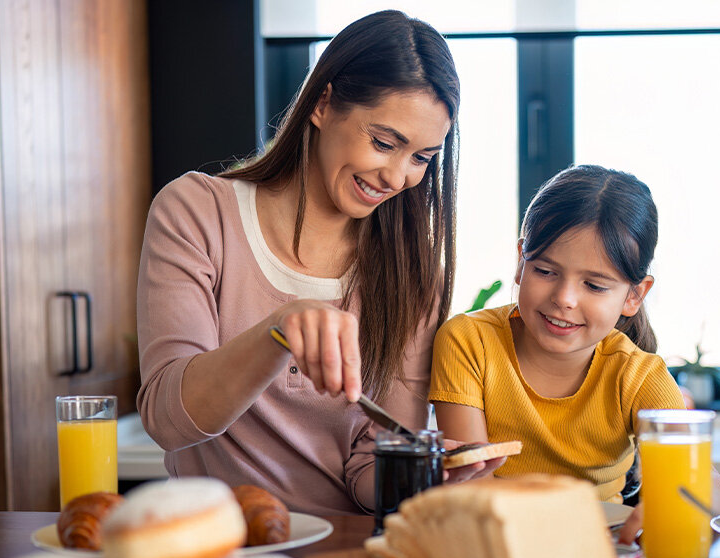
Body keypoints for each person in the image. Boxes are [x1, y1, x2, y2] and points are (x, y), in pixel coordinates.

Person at [136, 10, 475, 517]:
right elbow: (169, 420)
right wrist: (278, 331)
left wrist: (420, 476)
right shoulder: (197, 212)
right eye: (384, 143)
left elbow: (368, 469)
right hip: (223, 543)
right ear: (322, 103)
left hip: (346, 549)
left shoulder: (413, 271)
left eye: (422, 158)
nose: (397, 176)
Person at [429, 164, 720, 538]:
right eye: (545, 271)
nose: (565, 299)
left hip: (603, 548)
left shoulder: (640, 376)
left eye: (594, 285)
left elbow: (711, 488)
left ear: (634, 295)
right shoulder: (468, 341)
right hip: (496, 540)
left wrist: (679, 500)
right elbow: (471, 481)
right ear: (521, 261)